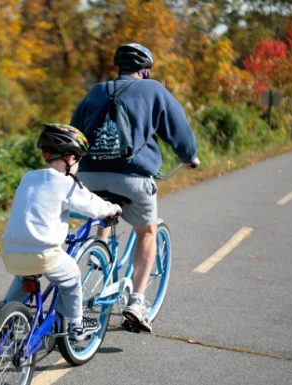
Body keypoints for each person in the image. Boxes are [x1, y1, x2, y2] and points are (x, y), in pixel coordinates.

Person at [70, 43, 199, 333]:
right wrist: (189, 156)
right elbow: (178, 130)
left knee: (101, 211)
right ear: (145, 70)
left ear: (118, 67)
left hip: (89, 176)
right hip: (133, 178)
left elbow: (74, 131)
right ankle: (137, 301)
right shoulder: (153, 89)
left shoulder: (96, 91)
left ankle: (96, 255)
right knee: (147, 232)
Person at [0, 123, 122, 341]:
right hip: (44, 254)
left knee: (26, 274)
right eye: (78, 159)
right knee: (71, 277)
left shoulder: (29, 177)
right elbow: (93, 205)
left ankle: (4, 312)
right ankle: (76, 326)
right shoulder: (66, 184)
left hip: (11, 253)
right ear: (71, 158)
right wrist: (113, 209)